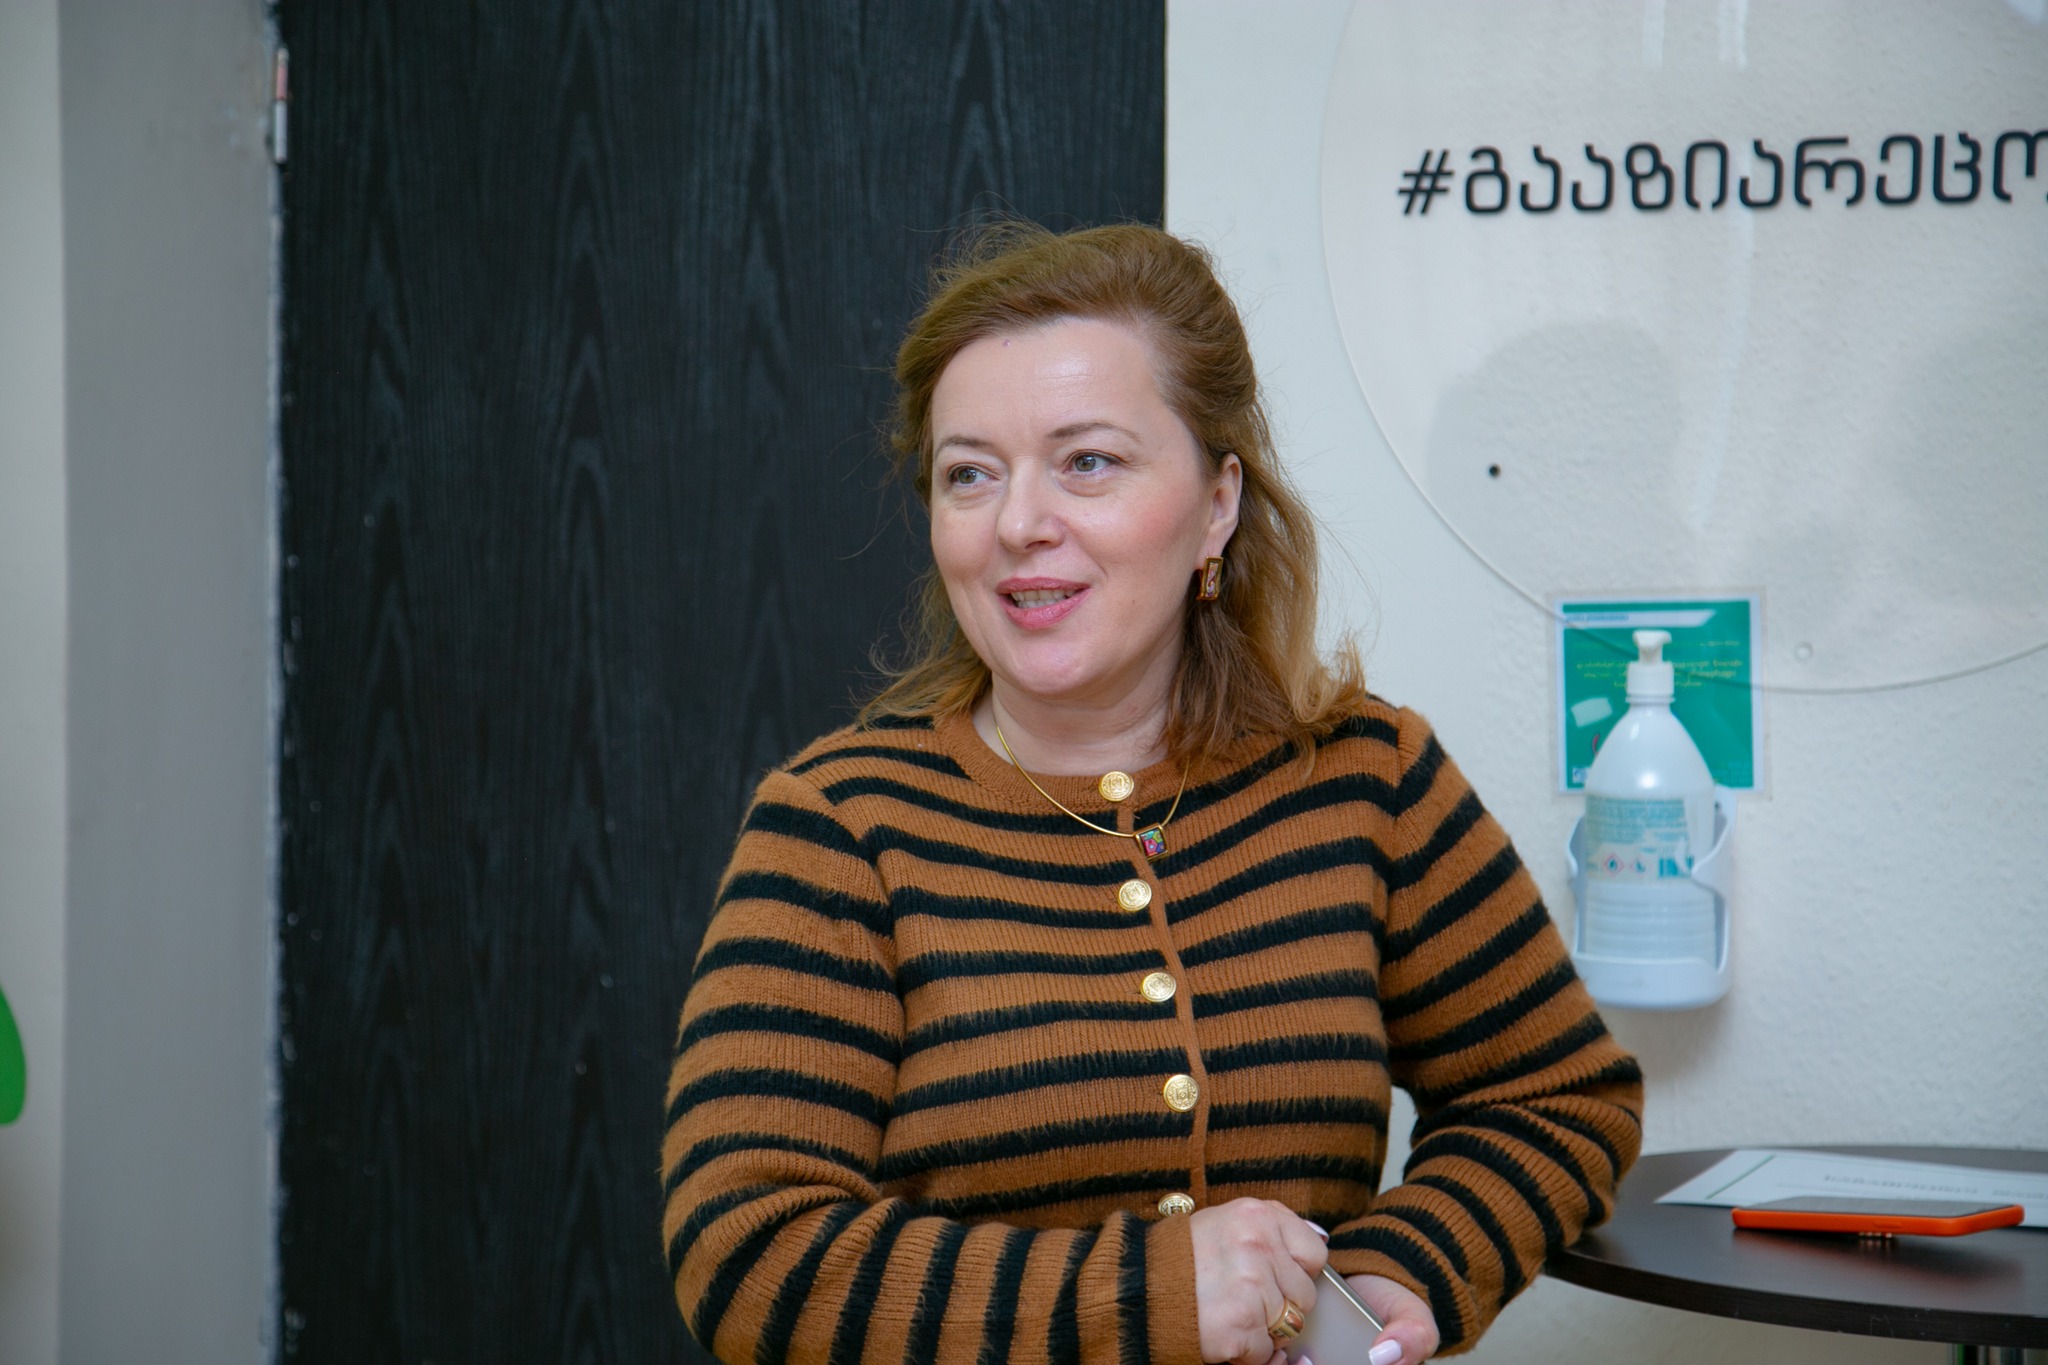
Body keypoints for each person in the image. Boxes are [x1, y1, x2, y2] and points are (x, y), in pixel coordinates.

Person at [661, 222, 1642, 1365]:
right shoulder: (838, 829)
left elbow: (1554, 1095)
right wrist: (1146, 1296)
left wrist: (1394, 1271)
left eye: (1086, 462)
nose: (1018, 523)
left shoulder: (1367, 779)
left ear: (1216, 504)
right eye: (969, 473)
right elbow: (747, 1250)